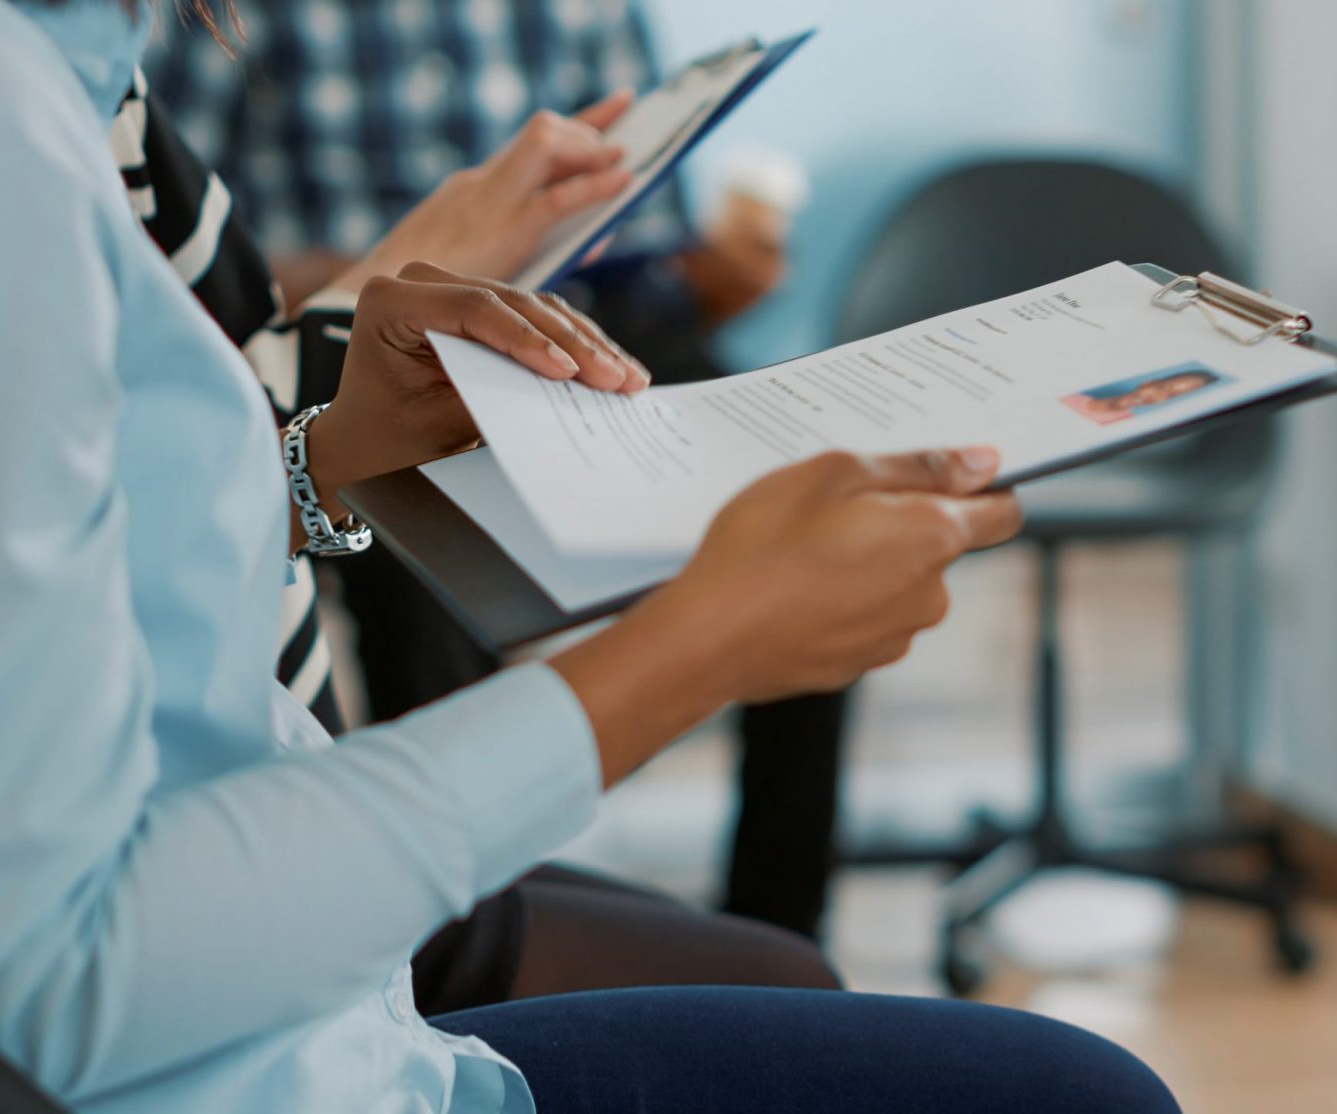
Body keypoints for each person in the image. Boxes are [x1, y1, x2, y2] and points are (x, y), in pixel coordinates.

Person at [0, 1, 1185, 1111]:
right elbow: (57, 974)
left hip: (313, 1022)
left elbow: (70, 543)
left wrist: (321, 453)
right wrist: (693, 649)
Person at [109, 62, 838, 1011]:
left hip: (288, 760)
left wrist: (704, 271)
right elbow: (178, 458)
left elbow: (195, 456)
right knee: (795, 991)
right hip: (247, 830)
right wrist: (398, 266)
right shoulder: (45, 105)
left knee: (801, 499)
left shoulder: (106, 84)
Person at [1062, 368, 1223, 425]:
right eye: (1161, 388)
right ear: (1148, 384)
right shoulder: (1068, 397)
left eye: (1172, 396)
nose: (1158, 396)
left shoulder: (1121, 428)